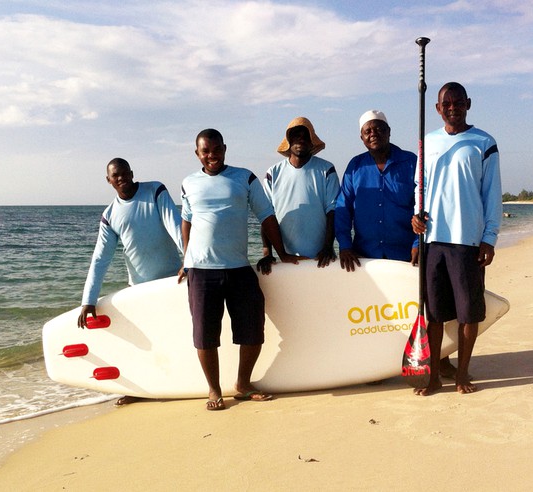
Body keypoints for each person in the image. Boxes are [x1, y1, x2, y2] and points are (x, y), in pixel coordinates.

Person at [179, 128, 297, 411]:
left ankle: (243, 384)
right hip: (202, 270)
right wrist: (185, 259)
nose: (212, 156)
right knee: (205, 334)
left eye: (216, 149)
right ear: (197, 154)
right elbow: (186, 220)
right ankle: (214, 390)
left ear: (225, 148)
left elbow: (266, 215)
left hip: (238, 267)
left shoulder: (244, 177)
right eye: (205, 151)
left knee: (253, 328)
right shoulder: (188, 183)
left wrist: (282, 253)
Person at [335, 110, 458, 379]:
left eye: (379, 129)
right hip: (366, 256)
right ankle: (377, 367)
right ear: (361, 137)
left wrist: (418, 241)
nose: (373, 134)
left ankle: (442, 357)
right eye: (368, 131)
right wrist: (344, 245)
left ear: (389, 132)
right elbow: (342, 208)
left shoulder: (411, 161)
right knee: (372, 313)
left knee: (426, 305)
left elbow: (425, 204)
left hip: (407, 252)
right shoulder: (355, 167)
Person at [411, 82, 502, 396]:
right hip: (433, 239)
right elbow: (419, 187)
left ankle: (462, 373)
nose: (452, 108)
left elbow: (492, 194)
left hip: (467, 241)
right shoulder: (428, 142)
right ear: (437, 108)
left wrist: (489, 237)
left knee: (468, 312)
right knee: (434, 314)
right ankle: (434, 376)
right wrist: (416, 215)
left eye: (458, 102)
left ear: (468, 104)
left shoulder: (483, 143)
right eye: (446, 103)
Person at [77, 157, 184, 406]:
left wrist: (189, 262)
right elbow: (100, 259)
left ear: (132, 173)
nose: (122, 178)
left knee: (175, 334)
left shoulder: (155, 190)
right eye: (116, 176)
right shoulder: (109, 215)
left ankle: (179, 380)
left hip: (172, 282)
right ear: (109, 181)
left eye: (125, 173)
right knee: (141, 343)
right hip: (139, 289)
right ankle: (141, 389)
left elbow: (175, 226)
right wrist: (88, 300)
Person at [260, 117, 340, 271]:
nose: (301, 139)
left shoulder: (327, 170)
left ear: (312, 142)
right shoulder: (273, 173)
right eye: (296, 134)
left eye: (305, 135)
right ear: (289, 140)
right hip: (287, 262)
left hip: (321, 259)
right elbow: (266, 216)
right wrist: (267, 253)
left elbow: (333, 211)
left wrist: (328, 247)